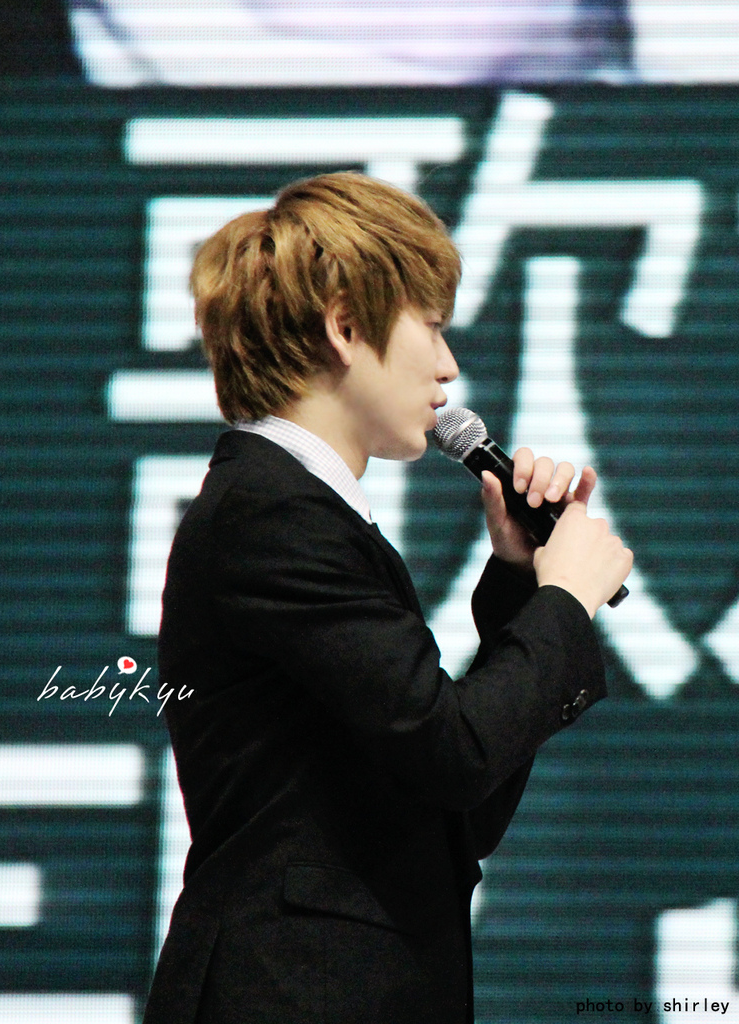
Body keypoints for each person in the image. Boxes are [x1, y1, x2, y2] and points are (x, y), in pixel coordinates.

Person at [142, 171, 632, 1024]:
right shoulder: (275, 513)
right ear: (344, 327)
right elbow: (453, 752)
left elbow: (453, 807)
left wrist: (522, 581)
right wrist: (563, 603)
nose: (449, 368)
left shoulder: (302, 510)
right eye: (431, 327)